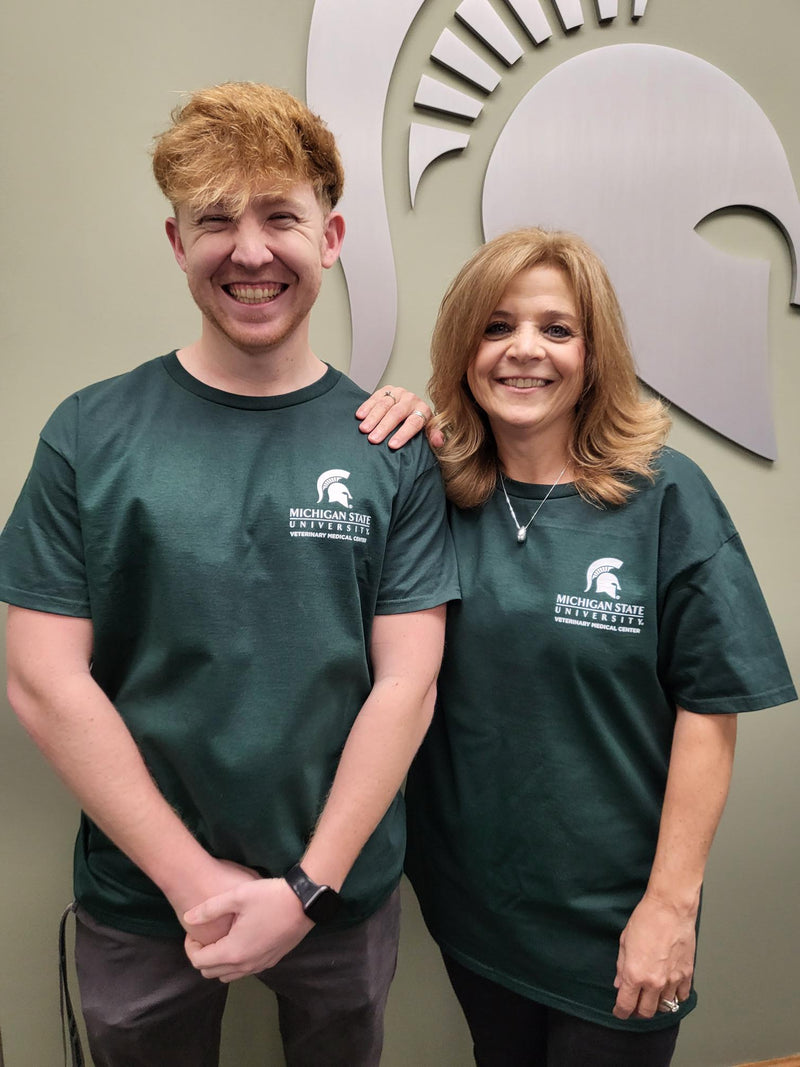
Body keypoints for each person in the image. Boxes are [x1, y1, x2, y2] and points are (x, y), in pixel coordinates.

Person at [0, 82, 459, 1067]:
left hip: (337, 893)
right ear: (177, 244)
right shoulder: (89, 434)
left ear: (330, 238)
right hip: (140, 896)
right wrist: (192, 880)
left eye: (279, 216)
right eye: (215, 219)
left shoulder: (388, 447)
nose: (249, 251)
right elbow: (42, 676)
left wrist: (305, 886)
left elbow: (407, 681)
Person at [357, 228, 796, 1066]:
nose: (525, 350)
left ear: (595, 353)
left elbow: (710, 709)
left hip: (617, 914)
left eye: (557, 328)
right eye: (496, 326)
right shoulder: (429, 492)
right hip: (474, 906)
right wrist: (403, 423)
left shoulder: (664, 495)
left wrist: (670, 908)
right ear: (464, 347)